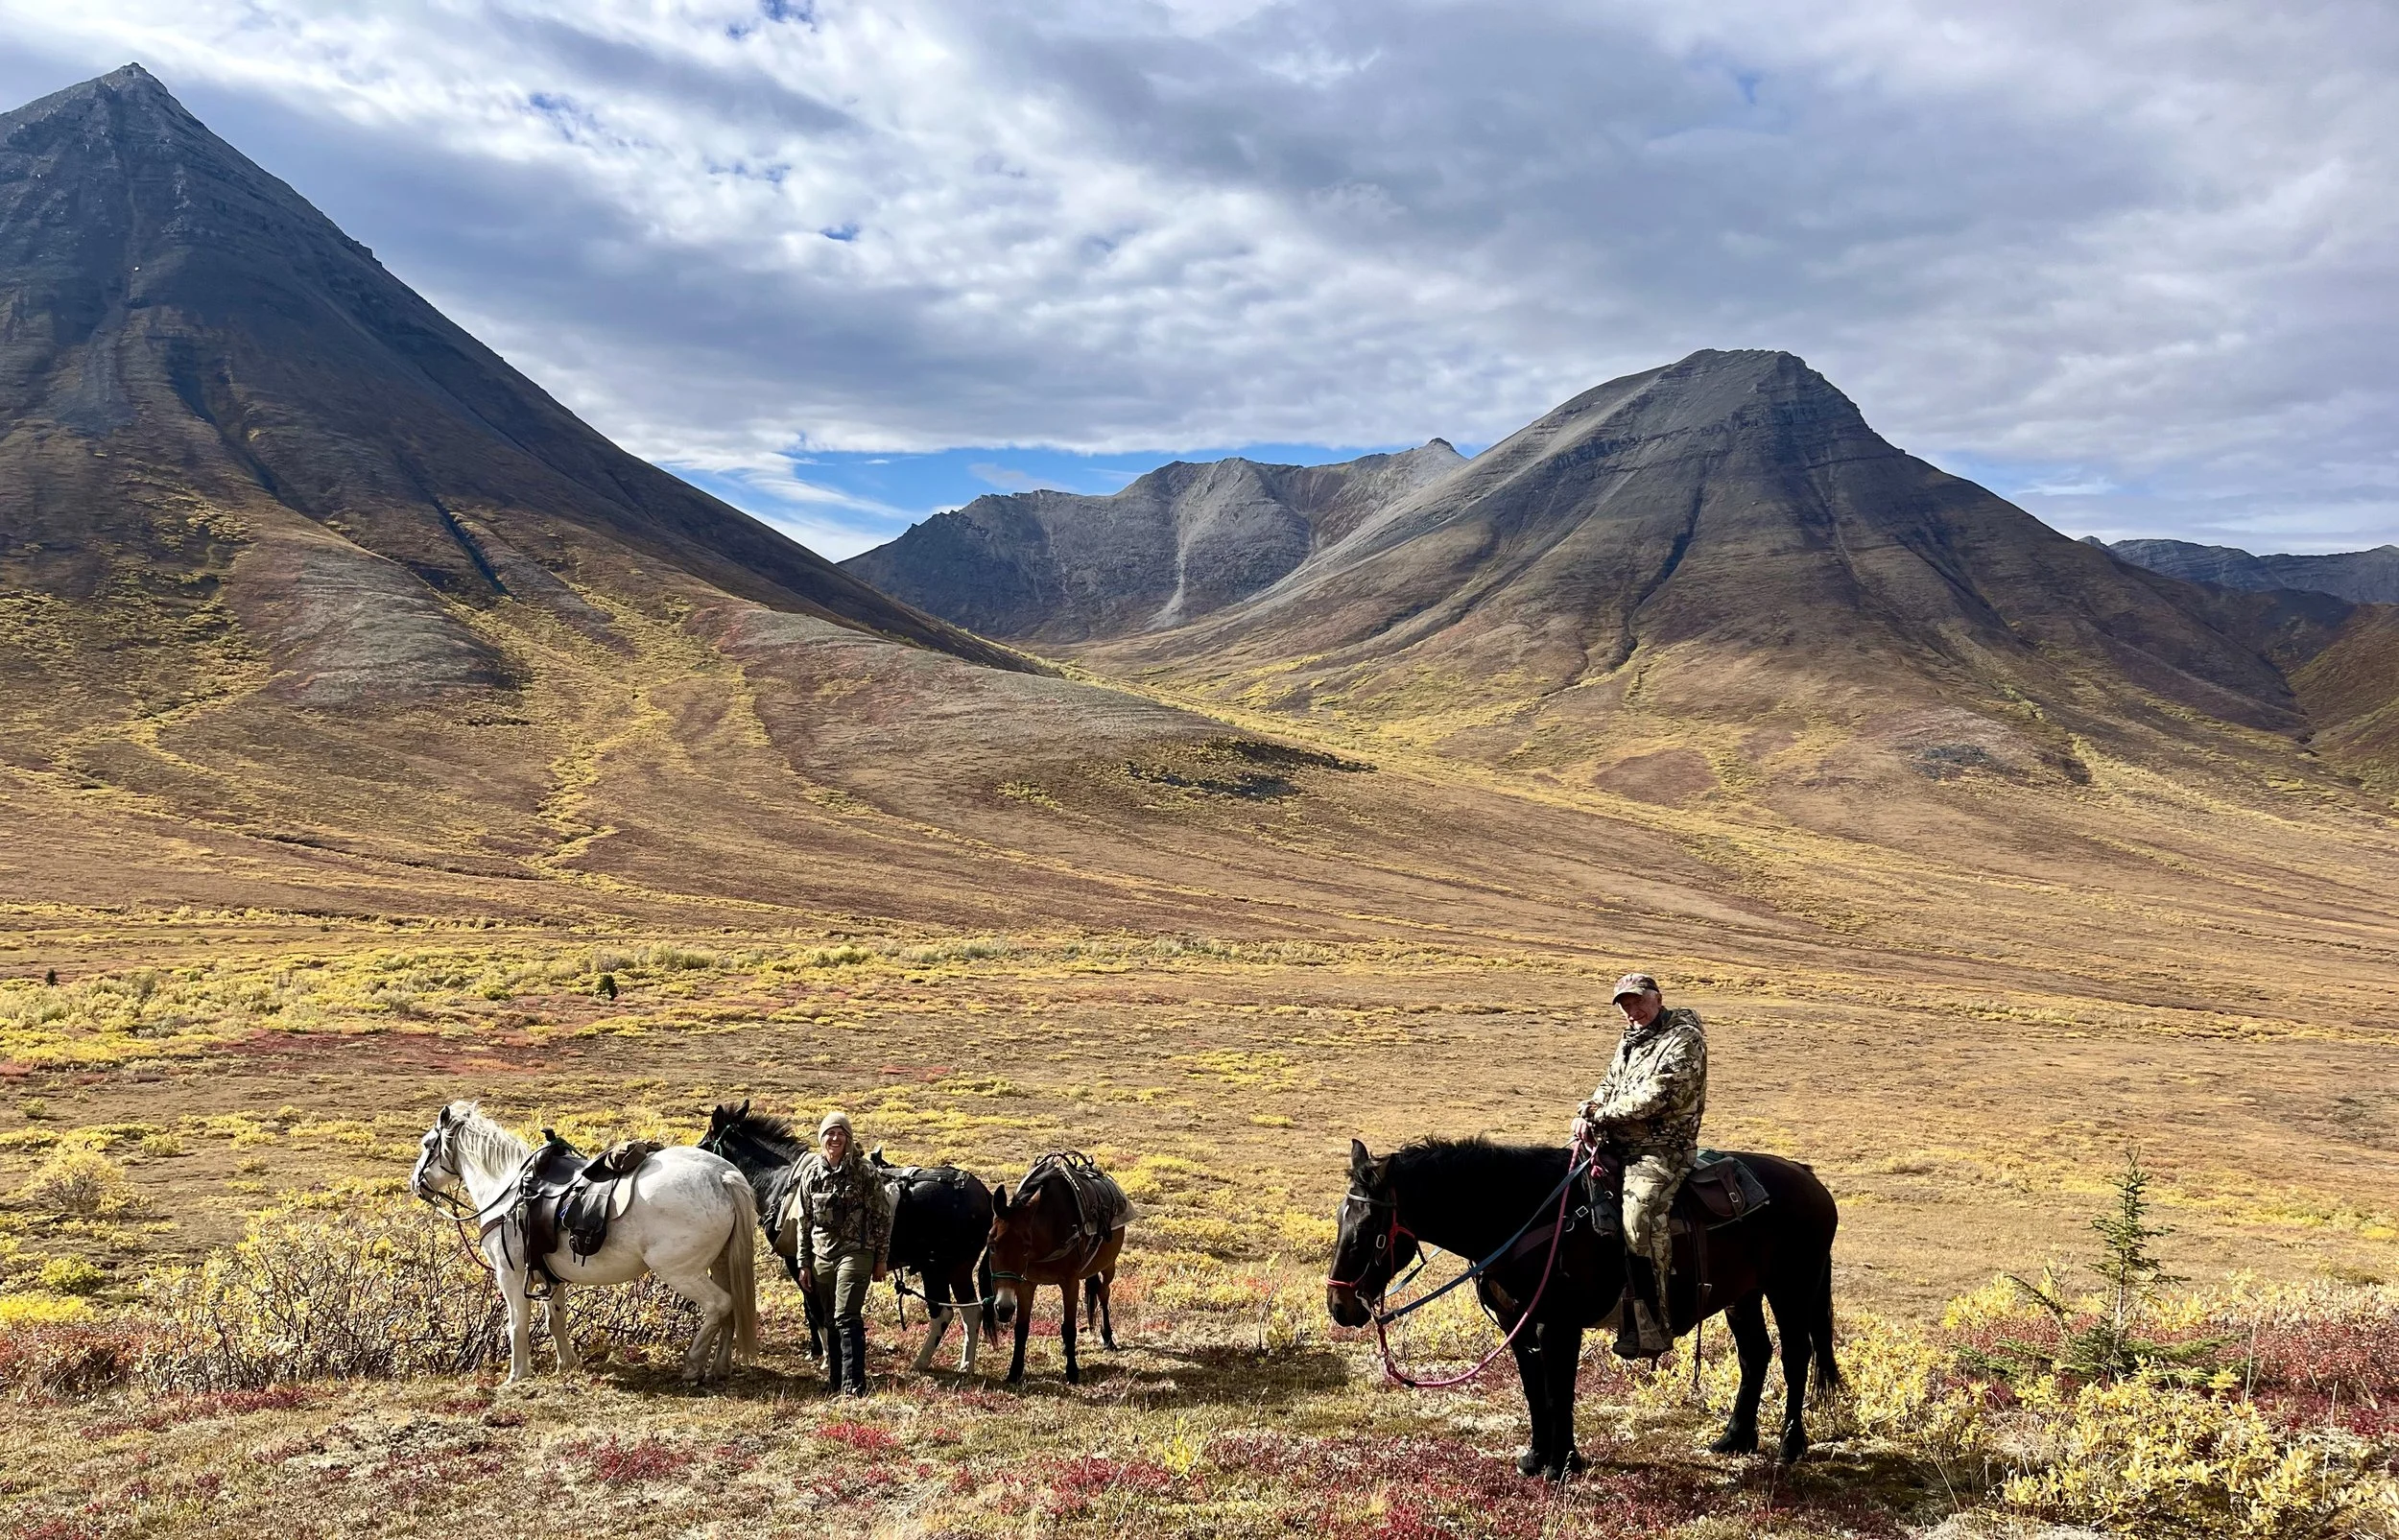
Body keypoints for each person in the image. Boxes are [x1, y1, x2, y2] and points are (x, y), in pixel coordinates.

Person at [1571, 972, 1707, 1360]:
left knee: (1640, 1218)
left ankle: (1653, 1322)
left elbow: (1658, 1095)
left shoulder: (1684, 1038)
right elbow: (1609, 1084)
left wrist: (1599, 1115)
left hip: (1662, 1149)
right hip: (1617, 1142)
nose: (1633, 1011)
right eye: (1626, 1005)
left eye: (1639, 1001)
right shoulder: (1631, 1039)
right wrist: (1589, 1108)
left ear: (1658, 998)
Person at [789, 1109, 894, 1395]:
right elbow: (804, 1222)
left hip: (856, 1252)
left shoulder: (864, 1171)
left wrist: (881, 1259)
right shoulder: (811, 1174)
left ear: (848, 1139)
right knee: (829, 1319)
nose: (835, 1139)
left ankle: (854, 1386)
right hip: (821, 1255)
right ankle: (835, 1382)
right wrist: (803, 1263)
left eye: (840, 1134)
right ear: (821, 1138)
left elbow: (881, 1217)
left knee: (847, 1315)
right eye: (829, 1133)